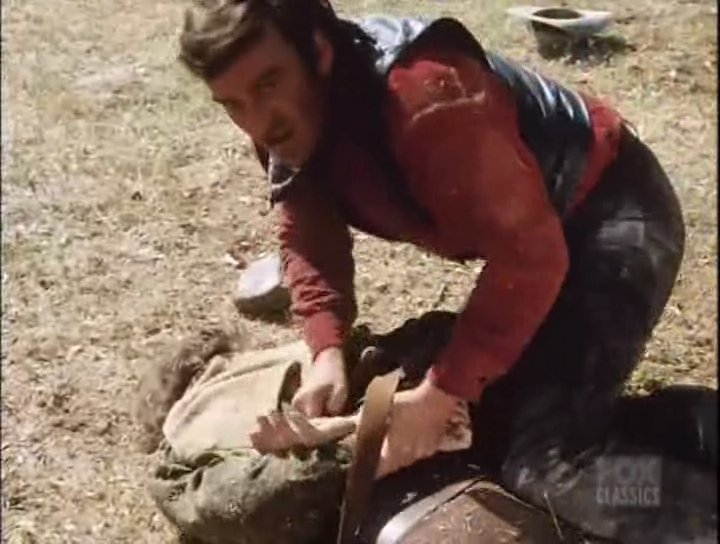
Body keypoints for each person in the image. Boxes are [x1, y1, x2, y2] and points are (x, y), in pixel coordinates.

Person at [178, 1, 717, 541]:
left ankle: (698, 511)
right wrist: (326, 352)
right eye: (232, 103)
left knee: (548, 465)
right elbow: (311, 235)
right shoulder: (289, 116)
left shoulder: (426, 99)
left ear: (318, 52)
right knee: (518, 415)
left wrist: (440, 394)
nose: (257, 121)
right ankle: (697, 430)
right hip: (541, 235)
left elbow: (531, 255)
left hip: (612, 218)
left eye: (269, 83)